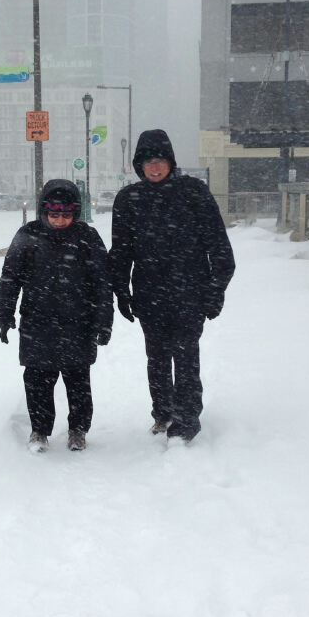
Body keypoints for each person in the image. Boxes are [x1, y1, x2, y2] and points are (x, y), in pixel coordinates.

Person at [110, 129, 236, 443]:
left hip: (189, 293)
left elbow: (219, 247)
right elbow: (121, 250)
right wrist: (121, 291)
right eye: (148, 161)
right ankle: (163, 412)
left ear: (171, 162)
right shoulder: (129, 199)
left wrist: (215, 289)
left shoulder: (193, 192)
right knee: (157, 358)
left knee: (186, 356)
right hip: (150, 295)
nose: (155, 167)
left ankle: (187, 419)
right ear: (139, 165)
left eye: (161, 160)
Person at [0, 179, 113, 453]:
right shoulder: (28, 235)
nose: (60, 221)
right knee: (37, 381)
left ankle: (78, 429)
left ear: (75, 213)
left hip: (78, 324)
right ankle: (40, 429)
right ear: (44, 212)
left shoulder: (87, 238)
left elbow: (102, 285)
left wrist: (103, 323)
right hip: (38, 323)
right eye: (54, 214)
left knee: (77, 382)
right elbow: (10, 279)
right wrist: (5, 314)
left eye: (66, 215)